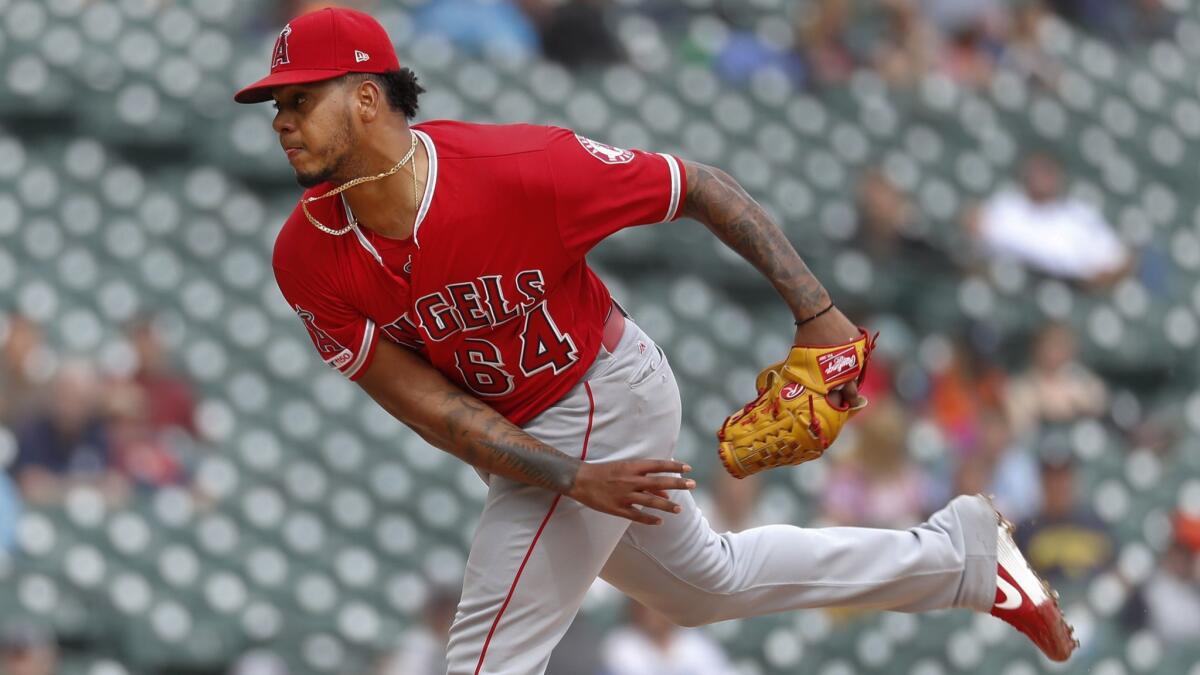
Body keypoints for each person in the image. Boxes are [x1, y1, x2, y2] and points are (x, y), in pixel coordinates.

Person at [233, 8, 1076, 672]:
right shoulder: (306, 257)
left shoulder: (522, 170)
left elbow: (699, 187)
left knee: (488, 659)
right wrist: (570, 477)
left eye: (301, 98)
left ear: (368, 98)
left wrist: (818, 314)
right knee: (706, 586)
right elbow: (430, 408)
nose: (284, 119)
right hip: (541, 439)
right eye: (279, 104)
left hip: (601, 386)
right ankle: (959, 559)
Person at [969, 152, 1133, 287]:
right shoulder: (1007, 204)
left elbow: (1118, 259)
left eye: (1048, 173)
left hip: (1070, 287)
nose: (1042, 179)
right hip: (1008, 279)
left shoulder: (1079, 214)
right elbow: (974, 227)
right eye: (1037, 172)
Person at [602, 600, 733, 675]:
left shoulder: (696, 642)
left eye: (655, 608)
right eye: (644, 607)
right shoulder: (621, 643)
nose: (650, 614)